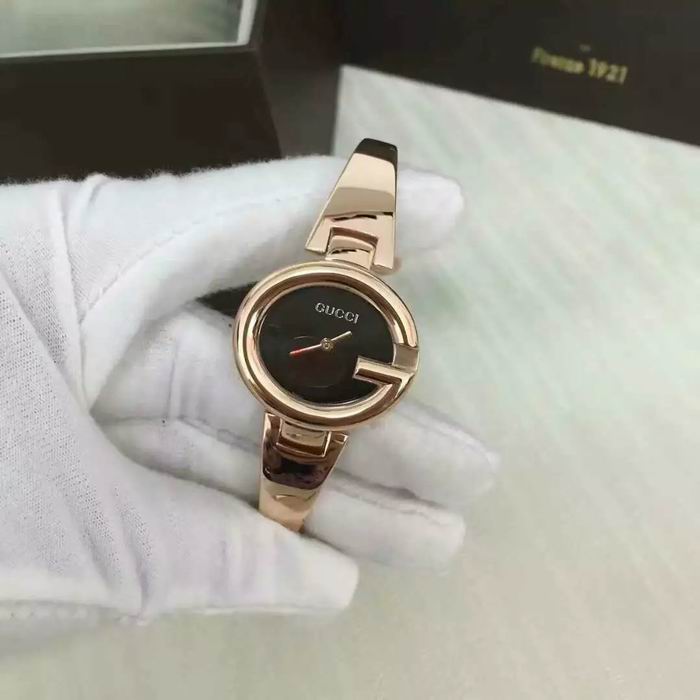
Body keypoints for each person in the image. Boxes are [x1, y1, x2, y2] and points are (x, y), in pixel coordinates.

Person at [0, 155, 495, 649]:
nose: (326, 343)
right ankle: (284, 514)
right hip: (295, 391)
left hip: (312, 398)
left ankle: (285, 514)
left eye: (330, 342)